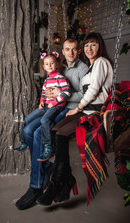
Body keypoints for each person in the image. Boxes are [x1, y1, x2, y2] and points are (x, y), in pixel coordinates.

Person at [37, 32, 114, 206]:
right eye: (87, 45)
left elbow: (92, 91)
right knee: (55, 130)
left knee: (62, 133)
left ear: (100, 46)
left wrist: (77, 108)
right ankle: (66, 179)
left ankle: (56, 184)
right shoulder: (90, 68)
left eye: (93, 44)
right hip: (85, 110)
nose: (89, 48)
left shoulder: (101, 62)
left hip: (94, 112)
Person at [15, 38, 88, 210]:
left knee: (39, 133)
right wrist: (48, 96)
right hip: (53, 106)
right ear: (62, 52)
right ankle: (46, 166)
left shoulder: (83, 69)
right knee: (27, 130)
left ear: (79, 51)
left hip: (70, 109)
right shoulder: (60, 67)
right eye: (67, 49)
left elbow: (85, 94)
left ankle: (36, 186)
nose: (70, 52)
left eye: (74, 49)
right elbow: (52, 83)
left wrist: (61, 94)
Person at [14, 51, 71, 162]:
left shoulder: (60, 78)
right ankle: (24, 142)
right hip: (45, 105)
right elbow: (44, 93)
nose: (49, 66)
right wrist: (41, 101)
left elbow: (67, 92)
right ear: (43, 66)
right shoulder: (47, 80)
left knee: (45, 120)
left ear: (57, 64)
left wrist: (54, 103)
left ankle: (48, 147)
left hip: (57, 106)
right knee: (28, 118)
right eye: (47, 64)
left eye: (52, 63)